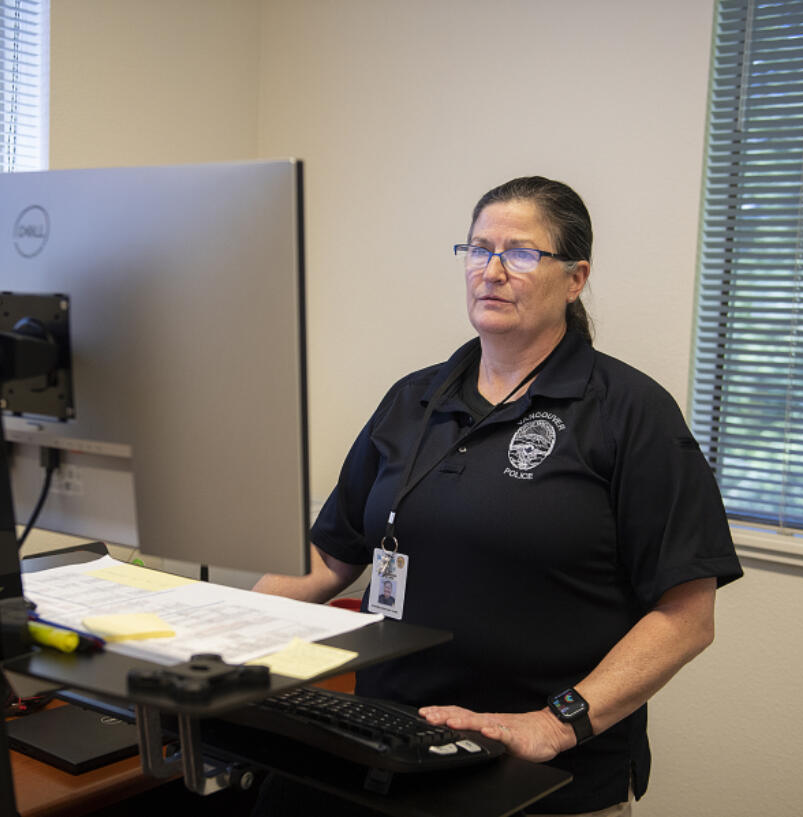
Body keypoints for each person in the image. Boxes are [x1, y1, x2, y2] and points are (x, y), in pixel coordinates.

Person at [253, 176, 742, 816]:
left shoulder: (631, 413)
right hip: (388, 741)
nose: (492, 270)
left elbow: (686, 617)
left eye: (520, 253)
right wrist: (217, 633)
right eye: (479, 249)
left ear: (575, 278)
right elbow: (331, 555)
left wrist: (557, 723)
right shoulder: (413, 399)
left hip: (539, 774)